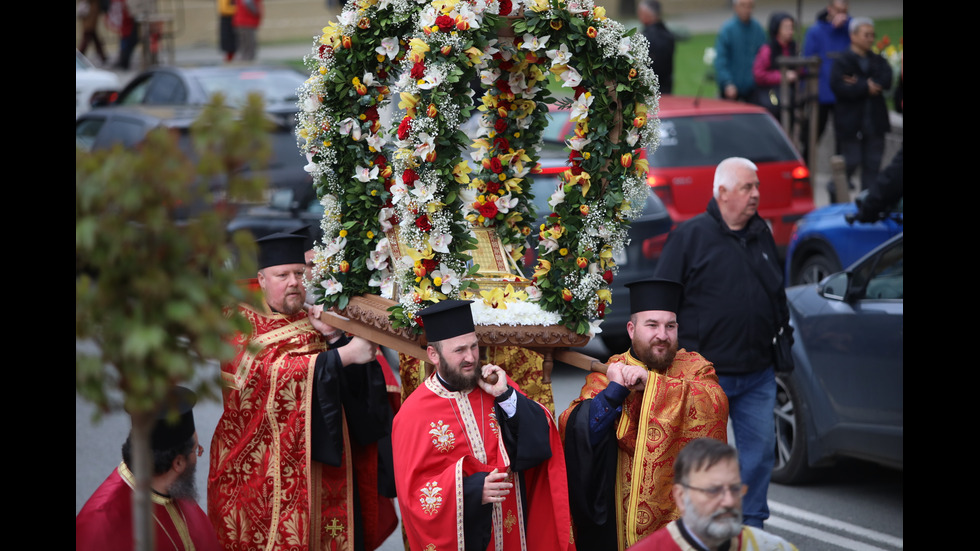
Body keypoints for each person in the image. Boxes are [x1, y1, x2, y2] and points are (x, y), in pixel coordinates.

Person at [208, 232, 398, 550]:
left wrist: (335, 338)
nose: (294, 282)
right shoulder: (239, 321)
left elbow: (351, 388)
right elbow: (268, 373)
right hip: (262, 475)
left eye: (299, 273)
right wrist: (344, 355)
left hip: (328, 467)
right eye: (283, 275)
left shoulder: (313, 318)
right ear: (262, 279)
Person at [653, 157, 792, 529]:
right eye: (748, 187)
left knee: (760, 455)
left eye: (756, 186)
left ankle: (750, 525)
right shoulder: (690, 236)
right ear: (723, 192)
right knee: (701, 461)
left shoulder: (761, 232)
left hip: (757, 371)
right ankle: (697, 527)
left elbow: (777, 295)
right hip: (707, 377)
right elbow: (663, 300)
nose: (756, 194)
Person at [559, 279, 729, 550]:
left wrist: (651, 384)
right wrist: (614, 392)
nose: (662, 334)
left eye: (670, 326)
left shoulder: (696, 368)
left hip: (682, 519)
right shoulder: (613, 370)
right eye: (652, 325)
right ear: (631, 328)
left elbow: (715, 403)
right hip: (618, 524)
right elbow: (576, 431)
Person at [391, 299, 574, 551]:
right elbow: (415, 497)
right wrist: (472, 489)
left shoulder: (495, 387)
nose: (470, 358)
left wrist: (506, 396)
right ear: (434, 354)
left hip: (513, 531)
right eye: (459, 350)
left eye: (474, 347)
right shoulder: (412, 414)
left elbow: (540, 440)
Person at [76, 386, 222, 551]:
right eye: (196, 450)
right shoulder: (96, 530)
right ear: (178, 463)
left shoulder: (174, 490)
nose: (197, 455)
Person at [630, 438, 798, 551]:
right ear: (681, 497)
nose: (729, 501)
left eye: (734, 489)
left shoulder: (773, 547)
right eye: (713, 491)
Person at [831, 17, 892, 192]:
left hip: (874, 124)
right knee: (850, 164)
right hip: (851, 125)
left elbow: (886, 79)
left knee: (872, 167)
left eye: (872, 35)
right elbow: (838, 86)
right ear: (853, 36)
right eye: (866, 35)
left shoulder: (877, 60)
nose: (870, 39)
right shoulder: (843, 61)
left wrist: (857, 83)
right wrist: (865, 86)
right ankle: (837, 197)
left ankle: (867, 207)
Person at [800, 0, 851, 162]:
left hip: (842, 92)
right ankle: (805, 168)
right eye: (838, 10)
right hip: (821, 92)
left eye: (844, 11)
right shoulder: (816, 31)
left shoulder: (849, 29)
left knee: (842, 136)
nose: (841, 15)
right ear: (830, 9)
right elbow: (807, 62)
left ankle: (841, 175)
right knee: (813, 133)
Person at [714, 0, 766, 102]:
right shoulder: (728, 30)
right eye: (743, 6)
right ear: (735, 7)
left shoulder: (757, 29)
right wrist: (727, 82)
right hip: (732, 88)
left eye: (750, 6)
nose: (747, 10)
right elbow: (721, 60)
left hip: (753, 88)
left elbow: (764, 56)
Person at [752, 12, 798, 121]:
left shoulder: (794, 47)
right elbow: (759, 74)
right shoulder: (767, 50)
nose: (790, 31)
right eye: (786, 28)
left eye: (791, 28)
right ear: (777, 29)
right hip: (771, 92)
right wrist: (782, 76)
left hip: (791, 93)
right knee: (775, 106)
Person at [638, 0, 675, 95]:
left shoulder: (646, 37)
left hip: (649, 89)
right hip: (666, 87)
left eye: (640, 12)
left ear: (647, 15)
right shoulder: (668, 35)